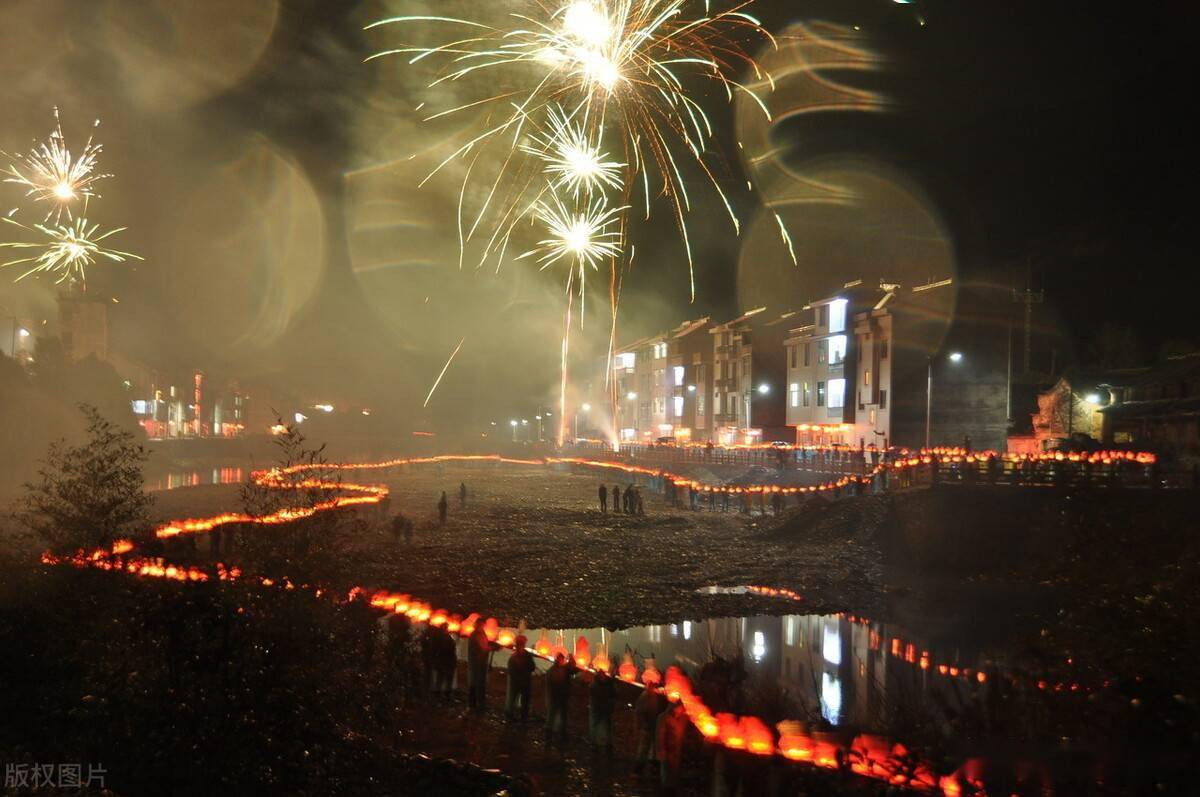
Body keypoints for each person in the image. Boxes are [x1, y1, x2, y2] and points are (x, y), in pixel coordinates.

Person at [544, 653, 576, 749]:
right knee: (552, 715)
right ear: (556, 660)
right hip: (555, 697)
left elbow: (573, 669)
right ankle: (549, 735)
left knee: (562, 716)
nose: (561, 661)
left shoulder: (565, 669)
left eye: (562, 659)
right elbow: (550, 685)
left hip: (563, 697)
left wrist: (572, 659)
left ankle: (561, 734)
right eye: (560, 659)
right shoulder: (552, 671)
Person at [656, 700, 689, 792]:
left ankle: (673, 789)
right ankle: (666, 790)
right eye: (679, 708)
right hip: (667, 750)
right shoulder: (664, 718)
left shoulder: (683, 718)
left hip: (677, 750)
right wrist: (661, 751)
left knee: (675, 771)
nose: (681, 710)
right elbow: (660, 736)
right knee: (666, 772)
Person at [634, 683, 667, 773]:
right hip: (648, 725)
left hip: (655, 725)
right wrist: (639, 725)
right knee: (644, 747)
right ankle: (638, 769)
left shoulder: (656, 696)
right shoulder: (645, 697)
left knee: (653, 746)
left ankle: (651, 765)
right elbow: (639, 712)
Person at [588, 661, 617, 753]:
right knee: (596, 725)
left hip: (605, 708)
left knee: (606, 725)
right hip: (598, 708)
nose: (603, 676)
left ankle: (607, 744)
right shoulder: (594, 686)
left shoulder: (606, 683)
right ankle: (595, 743)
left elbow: (613, 693)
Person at [467, 622, 495, 712]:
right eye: (482, 625)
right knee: (478, 683)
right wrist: (492, 648)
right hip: (477, 663)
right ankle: (477, 704)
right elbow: (483, 648)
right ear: (479, 625)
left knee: (476, 683)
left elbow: (484, 645)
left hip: (479, 662)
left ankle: (474, 703)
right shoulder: (476, 635)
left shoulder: (480, 633)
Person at [505, 635, 535, 722]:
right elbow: (532, 667)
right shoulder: (526, 656)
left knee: (516, 699)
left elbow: (511, 671)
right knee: (521, 700)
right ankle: (520, 717)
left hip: (519, 682)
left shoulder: (514, 657)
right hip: (522, 681)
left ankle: (513, 716)